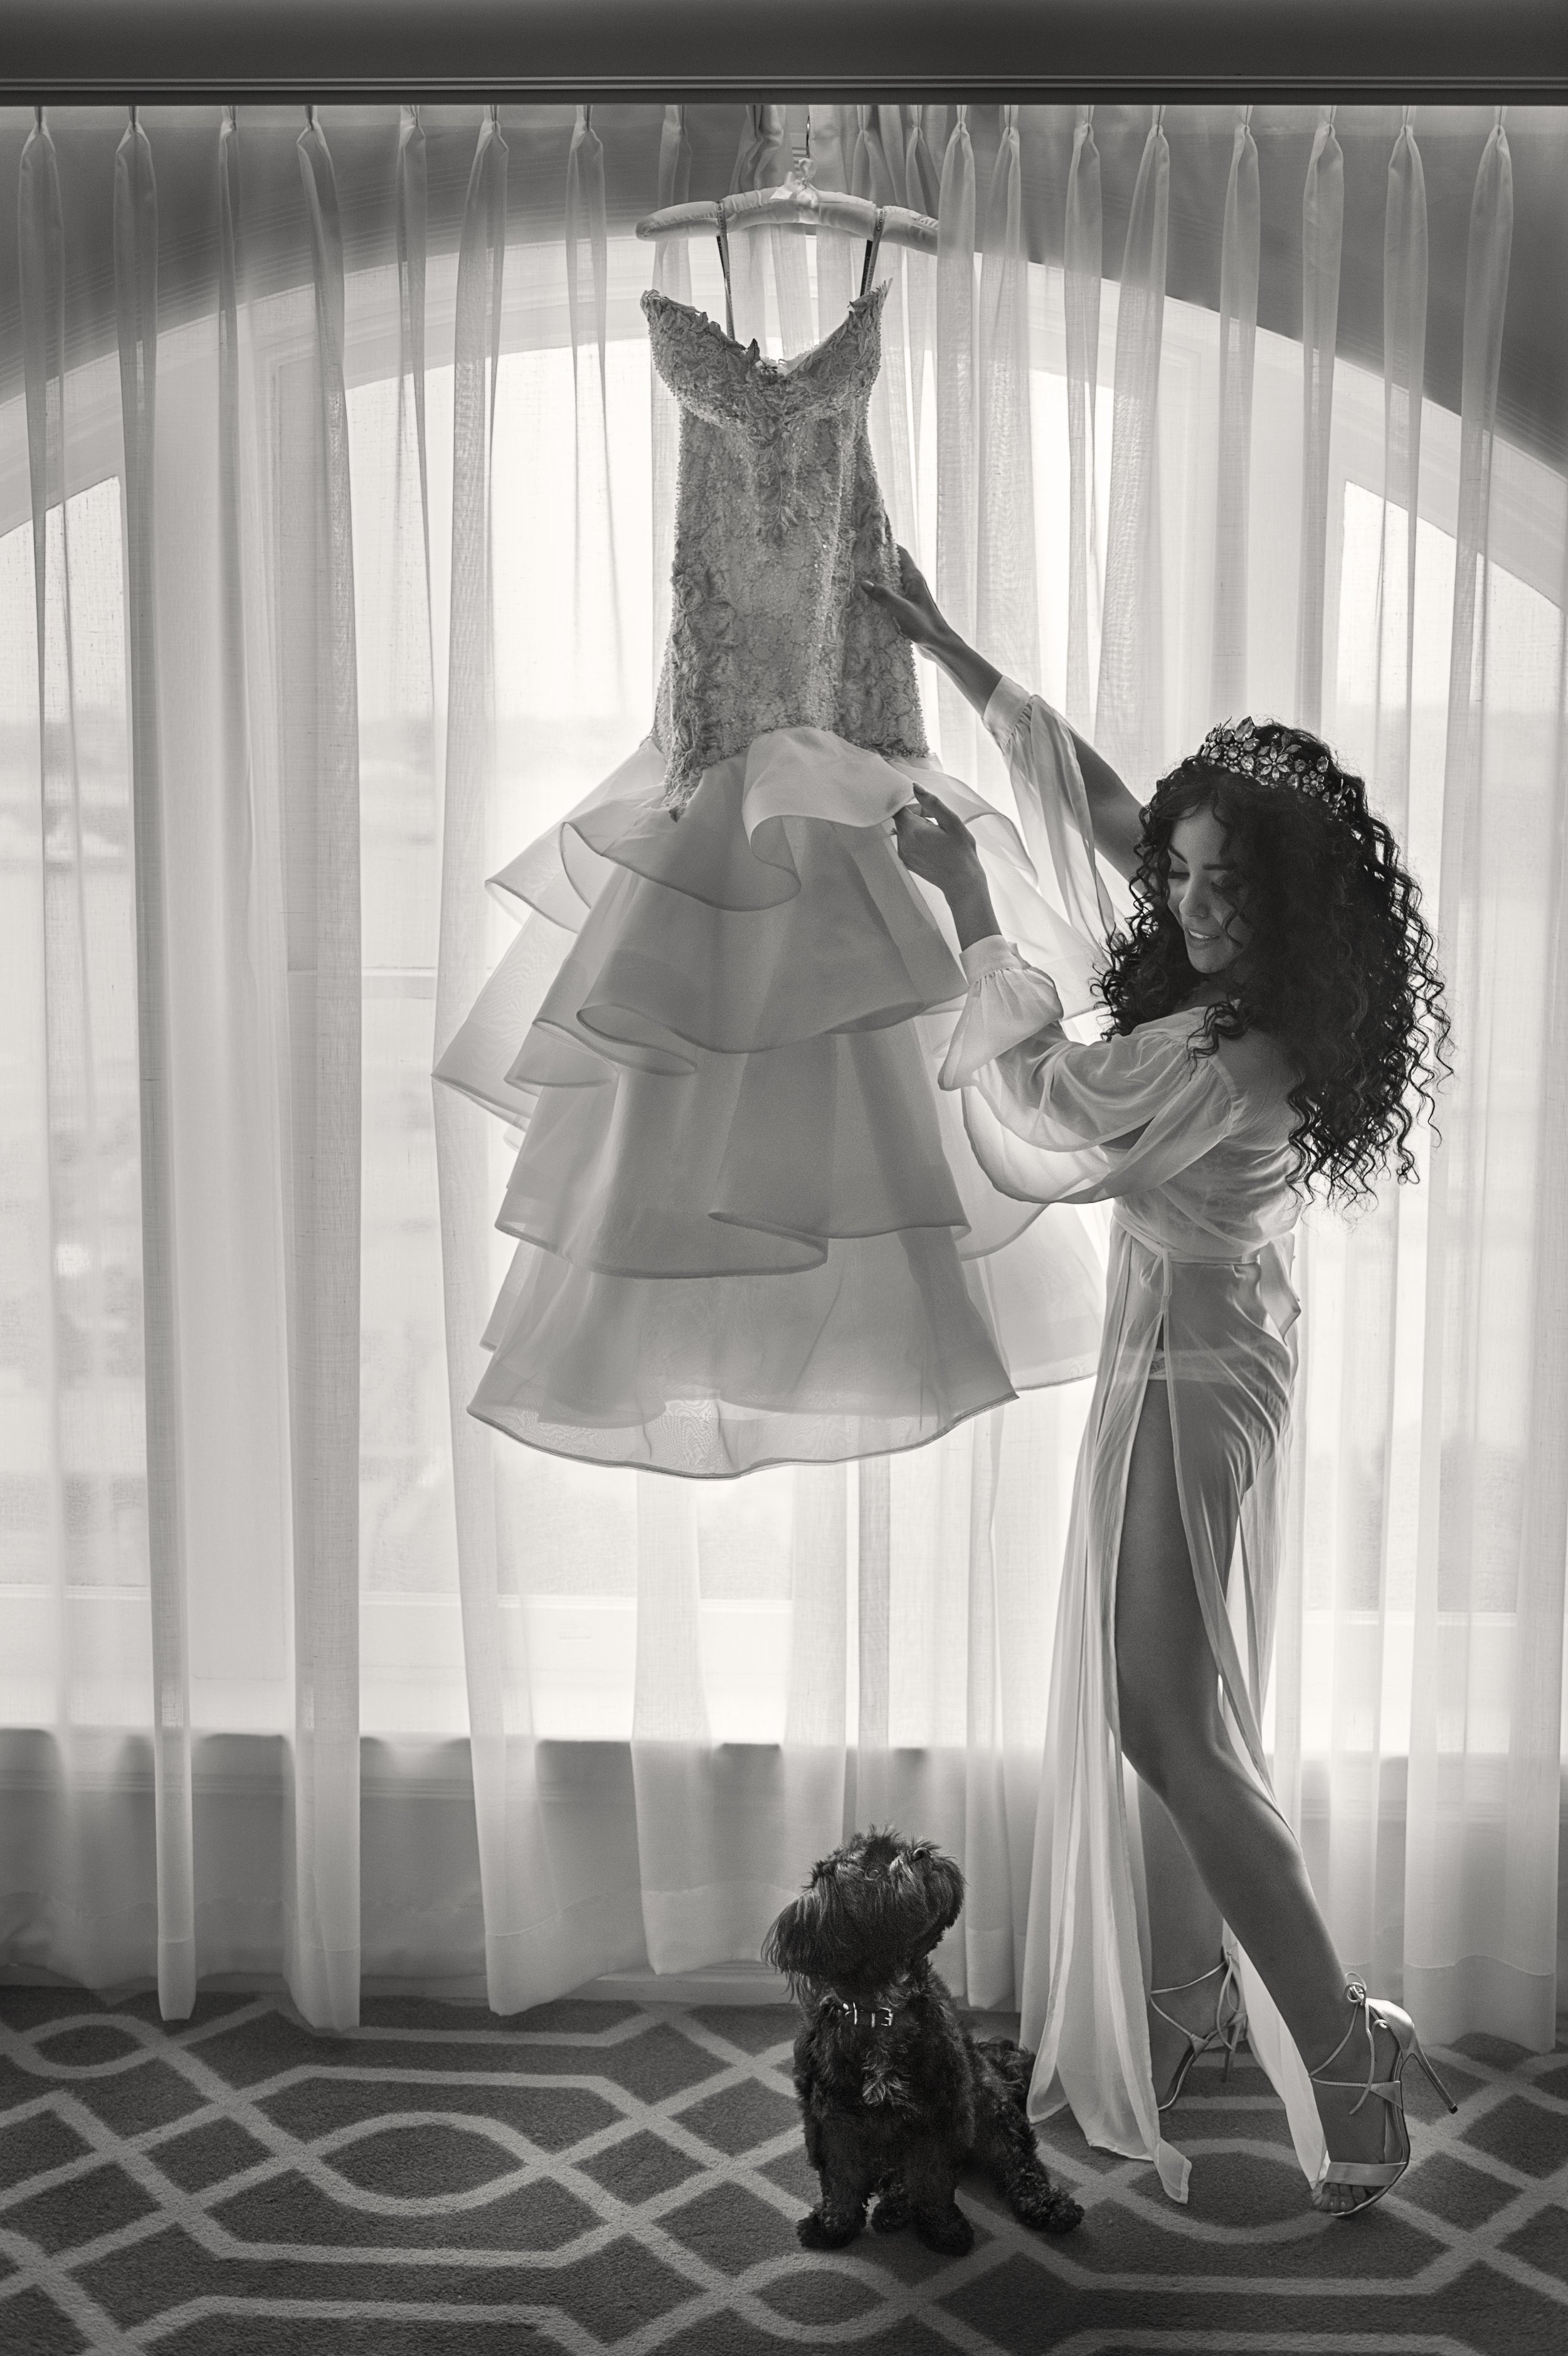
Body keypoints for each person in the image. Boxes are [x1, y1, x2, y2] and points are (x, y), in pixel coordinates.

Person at [865, 545, 1455, 2216]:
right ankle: (1275, 2002)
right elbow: (1114, 809)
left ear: (1282, 907)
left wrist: (966, 897)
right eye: (1182, 878)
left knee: (1165, 1721)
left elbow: (1050, 1104)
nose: (1185, 901)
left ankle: (1344, 2044)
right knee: (1180, 1715)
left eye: (1220, 885)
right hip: (1207, 1349)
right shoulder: (1246, 986)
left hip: (1191, 1374)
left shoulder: (1221, 1051)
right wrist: (944, 640)